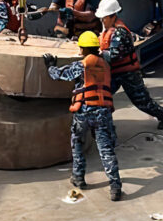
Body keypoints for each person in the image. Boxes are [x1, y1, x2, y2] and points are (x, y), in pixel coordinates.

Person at [43, 31, 123, 202]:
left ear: (84, 49)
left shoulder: (82, 65)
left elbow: (59, 75)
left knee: (77, 142)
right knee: (106, 149)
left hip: (84, 111)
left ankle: (79, 177)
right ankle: (115, 186)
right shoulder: (106, 65)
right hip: (103, 112)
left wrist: (50, 66)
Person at [96, 0, 163, 130]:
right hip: (113, 73)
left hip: (128, 73)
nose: (102, 20)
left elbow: (114, 55)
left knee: (141, 101)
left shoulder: (120, 33)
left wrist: (95, 54)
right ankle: (101, 125)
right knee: (101, 96)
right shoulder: (107, 30)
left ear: (112, 15)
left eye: (104, 17)